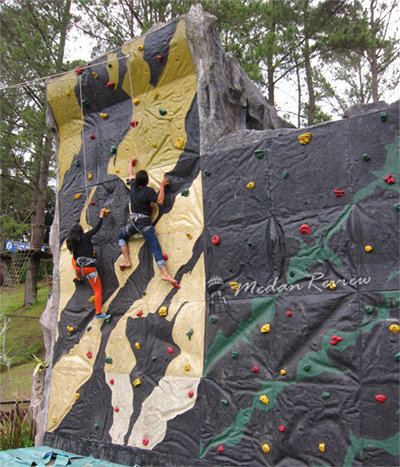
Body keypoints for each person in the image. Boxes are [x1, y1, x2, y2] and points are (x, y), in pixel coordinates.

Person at [118, 158, 180, 288]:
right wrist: (162, 186)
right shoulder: (149, 191)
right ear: (147, 181)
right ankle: (164, 273)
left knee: (121, 237)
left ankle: (127, 260)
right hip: (145, 225)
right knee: (155, 248)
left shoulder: (133, 186)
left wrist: (130, 163)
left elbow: (130, 175)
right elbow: (160, 201)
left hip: (133, 224)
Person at [66, 208, 110, 319]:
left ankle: (79, 278)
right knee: (98, 290)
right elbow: (97, 228)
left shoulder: (74, 244)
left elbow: (76, 257)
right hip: (89, 270)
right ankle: (98, 313)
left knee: (74, 260)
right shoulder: (86, 237)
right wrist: (101, 215)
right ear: (81, 231)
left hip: (78, 269)